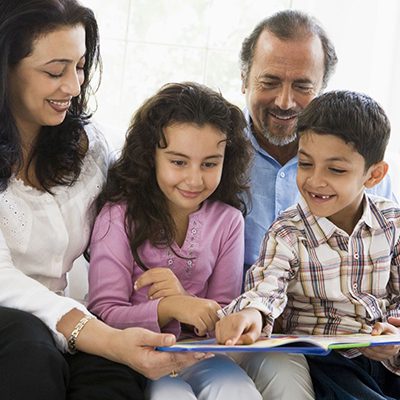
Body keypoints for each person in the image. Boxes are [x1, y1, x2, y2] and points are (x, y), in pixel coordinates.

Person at [0, 2, 207, 399]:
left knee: (110, 370)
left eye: (79, 66)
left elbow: (137, 220)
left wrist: (178, 293)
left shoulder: (90, 145)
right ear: (5, 68)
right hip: (15, 325)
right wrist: (102, 335)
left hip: (63, 319)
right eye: (54, 71)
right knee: (31, 345)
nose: (74, 86)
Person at [216, 90, 400, 400]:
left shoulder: (392, 224)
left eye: (336, 170)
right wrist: (251, 314)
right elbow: (266, 289)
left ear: (374, 174)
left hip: (382, 359)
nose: (315, 180)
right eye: (305, 163)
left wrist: (393, 336)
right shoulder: (288, 231)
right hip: (324, 359)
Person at [87, 82, 262, 400]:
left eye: (210, 164)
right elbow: (104, 311)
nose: (195, 179)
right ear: (150, 156)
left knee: (238, 390)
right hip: (140, 357)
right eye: (178, 162)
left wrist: (193, 306)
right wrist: (169, 308)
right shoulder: (118, 216)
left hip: (203, 356)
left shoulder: (228, 221)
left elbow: (221, 315)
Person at [241, 10, 395, 272]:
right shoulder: (212, 152)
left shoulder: (359, 162)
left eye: (302, 86)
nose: (284, 102)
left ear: (323, 88)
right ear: (245, 80)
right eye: (270, 82)